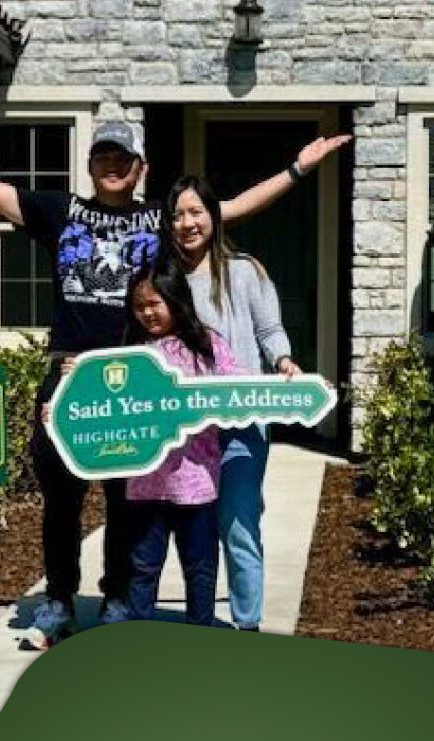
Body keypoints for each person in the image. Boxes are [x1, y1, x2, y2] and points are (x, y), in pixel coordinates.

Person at [0, 86, 348, 648]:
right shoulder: (60, 212)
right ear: (91, 165)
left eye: (121, 159)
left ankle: (117, 598)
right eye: (102, 157)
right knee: (62, 499)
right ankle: (58, 601)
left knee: (128, 498)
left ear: (138, 168)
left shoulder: (159, 220)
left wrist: (298, 168)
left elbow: (230, 210)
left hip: (134, 383)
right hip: (71, 375)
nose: (111, 166)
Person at [163, 174, 310, 631]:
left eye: (196, 212)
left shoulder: (246, 271)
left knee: (239, 524)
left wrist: (283, 361)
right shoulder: (165, 281)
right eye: (178, 214)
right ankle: (203, 622)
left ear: (213, 215)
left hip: (243, 422)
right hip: (189, 429)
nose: (188, 223)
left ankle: (247, 626)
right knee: (197, 532)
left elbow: (268, 332)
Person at [122, 260, 240, 627]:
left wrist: (291, 388)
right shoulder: (131, 352)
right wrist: (64, 407)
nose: (146, 313)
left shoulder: (208, 345)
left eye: (154, 303)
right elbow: (100, 405)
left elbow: (241, 389)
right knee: (141, 570)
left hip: (197, 485)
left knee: (201, 570)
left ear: (175, 298)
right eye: (139, 305)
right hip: (144, 486)